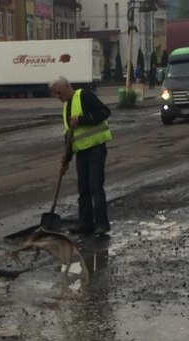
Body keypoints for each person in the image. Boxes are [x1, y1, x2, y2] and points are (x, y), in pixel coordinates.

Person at [50, 76, 112, 237]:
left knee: (95, 187)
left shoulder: (84, 96)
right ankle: (86, 223)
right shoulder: (66, 108)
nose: (58, 97)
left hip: (96, 148)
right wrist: (65, 160)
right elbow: (69, 137)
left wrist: (82, 120)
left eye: (59, 93)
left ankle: (101, 224)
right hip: (81, 152)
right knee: (83, 188)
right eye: (55, 94)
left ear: (67, 87)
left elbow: (105, 112)